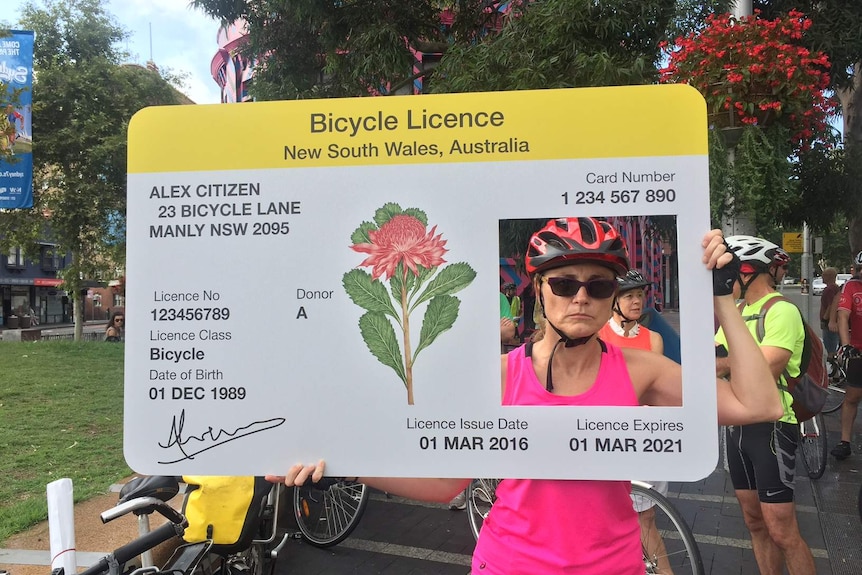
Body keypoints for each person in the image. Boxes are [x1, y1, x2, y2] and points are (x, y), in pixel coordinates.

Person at [270, 219, 782, 574]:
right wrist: (343, 463)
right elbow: (449, 483)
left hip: (612, 566)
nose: (581, 296)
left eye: (599, 287)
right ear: (538, 291)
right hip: (510, 563)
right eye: (563, 283)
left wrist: (723, 297)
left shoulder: (639, 369)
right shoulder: (498, 376)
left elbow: (758, 405)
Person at [715, 235, 816, 575]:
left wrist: (729, 362)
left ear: (747, 271)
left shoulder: (782, 310)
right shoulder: (738, 311)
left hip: (774, 425)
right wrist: (731, 361)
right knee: (754, 521)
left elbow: (765, 371)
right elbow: (712, 361)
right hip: (737, 426)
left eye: (732, 271)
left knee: (782, 530)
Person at [598, 269, 671, 573]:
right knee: (604, 517)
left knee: (646, 516)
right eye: (629, 295)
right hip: (605, 434)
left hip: (642, 431)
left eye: (640, 294)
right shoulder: (598, 334)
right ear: (614, 300)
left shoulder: (653, 339)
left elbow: (657, 389)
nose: (637, 300)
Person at [830, 251, 862, 461]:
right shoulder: (852, 286)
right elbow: (843, 317)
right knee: (852, 396)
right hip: (858, 350)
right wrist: (846, 345)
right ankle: (845, 441)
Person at [819, 268, 840, 357]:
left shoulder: (829, 289)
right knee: (835, 344)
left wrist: (824, 319)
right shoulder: (836, 288)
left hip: (828, 323)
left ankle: (832, 367)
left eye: (823, 275)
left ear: (828, 276)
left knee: (830, 347)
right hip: (836, 321)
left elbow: (831, 305)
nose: (822, 277)